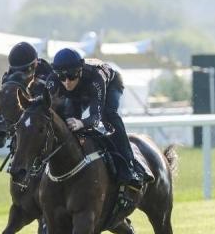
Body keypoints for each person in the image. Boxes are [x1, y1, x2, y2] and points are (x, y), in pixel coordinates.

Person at [47, 48, 145, 196]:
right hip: (79, 92)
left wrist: (81, 123)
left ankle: (130, 168)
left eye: (72, 76)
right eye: (62, 76)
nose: (67, 82)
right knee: (67, 120)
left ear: (79, 70)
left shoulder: (95, 78)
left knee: (109, 115)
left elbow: (96, 117)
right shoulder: (53, 80)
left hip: (110, 83)